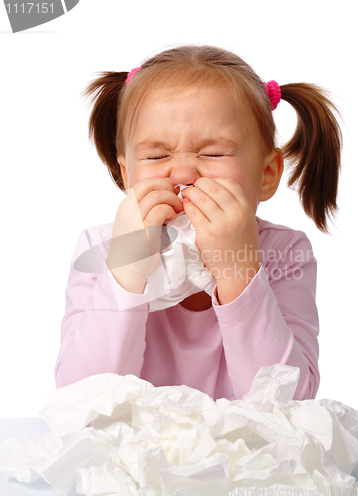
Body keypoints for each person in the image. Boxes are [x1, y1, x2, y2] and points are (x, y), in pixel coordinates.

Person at [54, 45, 342, 401]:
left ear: (266, 175)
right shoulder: (99, 247)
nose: (184, 172)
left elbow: (290, 406)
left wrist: (239, 269)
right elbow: (77, 403)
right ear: (126, 173)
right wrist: (127, 267)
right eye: (157, 155)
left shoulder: (284, 253)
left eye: (213, 153)